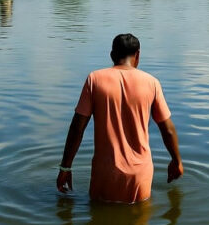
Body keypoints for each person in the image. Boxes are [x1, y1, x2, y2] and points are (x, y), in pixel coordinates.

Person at [57, 33, 183, 203]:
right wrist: (176, 161)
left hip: (106, 172)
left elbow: (77, 128)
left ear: (112, 55)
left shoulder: (95, 79)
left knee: (100, 222)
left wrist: (65, 167)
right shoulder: (152, 82)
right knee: (140, 223)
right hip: (140, 172)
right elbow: (167, 129)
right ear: (138, 55)